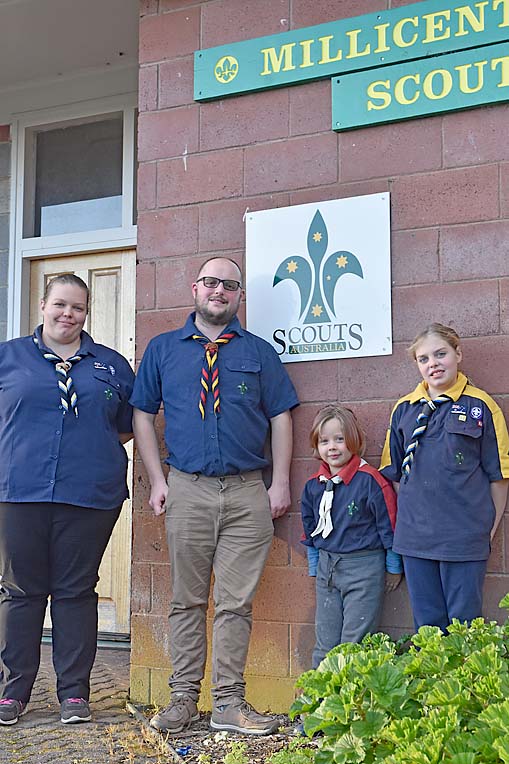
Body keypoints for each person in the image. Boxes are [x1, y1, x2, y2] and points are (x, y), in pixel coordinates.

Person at [130, 256, 299, 736]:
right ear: (195, 288)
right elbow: (142, 414)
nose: (219, 290)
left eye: (229, 285)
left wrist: (280, 482)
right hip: (188, 489)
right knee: (186, 600)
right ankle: (183, 700)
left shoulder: (259, 352)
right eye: (211, 282)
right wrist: (157, 479)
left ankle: (228, 704)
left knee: (235, 604)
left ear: (239, 295)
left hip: (247, 493)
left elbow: (281, 416)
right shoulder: (163, 349)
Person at [0, 274, 134, 726]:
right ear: (43, 305)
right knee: (21, 591)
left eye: (77, 307)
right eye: (60, 304)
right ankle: (13, 691)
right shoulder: (8, 358)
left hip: (89, 495)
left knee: (76, 592)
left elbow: (125, 426)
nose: (68, 314)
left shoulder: (111, 365)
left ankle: (74, 693)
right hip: (19, 492)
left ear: (86, 312)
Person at [380, 323, 509, 632]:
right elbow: (396, 475)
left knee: (465, 625)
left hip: (464, 538)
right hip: (416, 540)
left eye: (441, 354)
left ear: (458, 354)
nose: (433, 364)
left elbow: (499, 477)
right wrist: (413, 518)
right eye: (423, 359)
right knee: (427, 626)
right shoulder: (404, 409)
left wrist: (487, 530)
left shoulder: (482, 406)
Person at [301, 405, 402, 668]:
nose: (332, 447)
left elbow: (389, 526)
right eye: (324, 441)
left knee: (354, 643)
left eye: (339, 439)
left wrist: (393, 568)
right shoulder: (313, 486)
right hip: (327, 569)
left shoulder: (370, 480)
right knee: (325, 641)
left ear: (354, 440)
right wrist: (315, 567)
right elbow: (310, 529)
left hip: (363, 568)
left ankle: (351, 694)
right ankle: (320, 692)